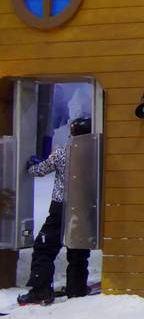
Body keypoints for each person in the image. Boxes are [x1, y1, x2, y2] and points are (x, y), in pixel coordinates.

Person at [17, 118, 93, 306]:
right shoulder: (95, 154)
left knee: (44, 247)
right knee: (78, 248)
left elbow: (38, 171)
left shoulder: (64, 152)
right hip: (85, 207)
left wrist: (32, 164)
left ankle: (40, 290)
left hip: (60, 207)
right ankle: (77, 290)